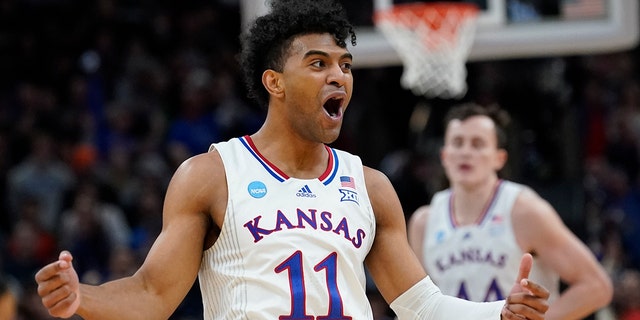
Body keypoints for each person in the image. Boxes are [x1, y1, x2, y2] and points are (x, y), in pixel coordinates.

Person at [34, 1, 550, 319]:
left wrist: (497, 313)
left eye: (345, 65)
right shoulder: (211, 175)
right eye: (318, 63)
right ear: (274, 82)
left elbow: (422, 307)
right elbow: (151, 295)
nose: (339, 77)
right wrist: (83, 298)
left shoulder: (368, 185)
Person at [408, 103, 613, 320]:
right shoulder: (423, 222)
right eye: (458, 143)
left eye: (477, 144)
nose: (466, 152)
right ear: (445, 156)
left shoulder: (524, 211)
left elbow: (597, 286)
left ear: (499, 158)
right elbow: (419, 306)